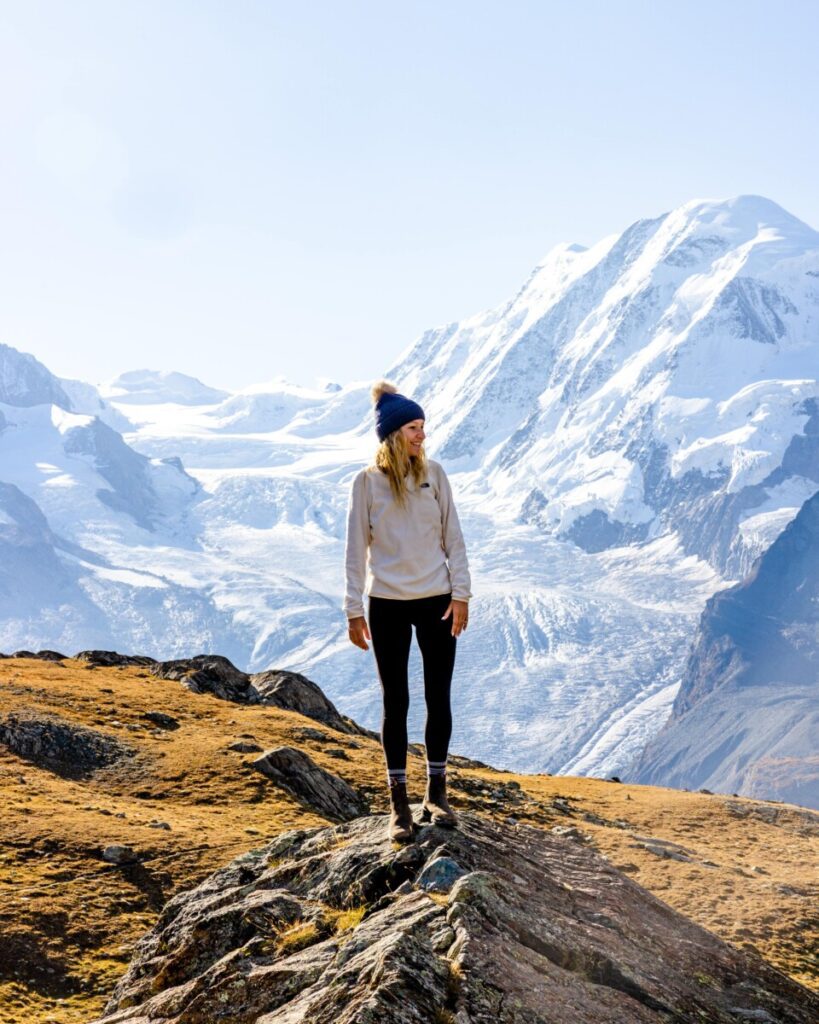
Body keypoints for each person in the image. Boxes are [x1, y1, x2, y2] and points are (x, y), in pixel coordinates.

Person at [343, 380, 472, 842]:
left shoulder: (434, 474)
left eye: (423, 427)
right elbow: (356, 548)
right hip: (387, 605)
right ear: (394, 433)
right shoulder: (367, 483)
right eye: (414, 428)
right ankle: (399, 806)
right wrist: (353, 610)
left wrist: (462, 595)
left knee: (439, 696)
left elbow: (452, 538)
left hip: (437, 600)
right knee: (395, 701)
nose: (421, 435)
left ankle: (436, 793)